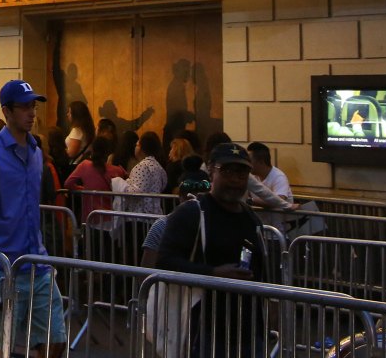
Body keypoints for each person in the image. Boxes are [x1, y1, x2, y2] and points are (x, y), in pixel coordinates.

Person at [141, 142, 272, 358]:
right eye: (228, 171)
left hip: (247, 326)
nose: (235, 180)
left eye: (242, 173)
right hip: (202, 327)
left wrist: (271, 305)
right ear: (211, 170)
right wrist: (212, 274)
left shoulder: (252, 219)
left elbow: (260, 265)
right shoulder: (191, 214)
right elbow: (164, 262)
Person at [0, 79, 67, 357]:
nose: (31, 113)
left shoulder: (35, 152)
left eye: (33, 106)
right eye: (24, 107)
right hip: (3, 267)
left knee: (55, 341)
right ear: (6, 111)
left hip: (37, 264)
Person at [65, 137, 127, 221]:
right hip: (110, 217)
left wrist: (85, 189)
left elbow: (68, 183)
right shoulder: (117, 170)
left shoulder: (84, 165)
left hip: (90, 216)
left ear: (92, 149)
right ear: (107, 152)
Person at [122, 131, 169, 215]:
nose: (135, 147)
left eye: (137, 145)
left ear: (141, 148)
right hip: (155, 214)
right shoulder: (158, 166)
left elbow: (135, 193)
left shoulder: (142, 166)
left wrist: (120, 184)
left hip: (140, 215)